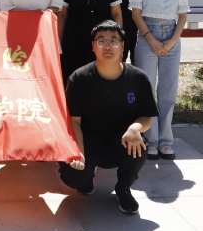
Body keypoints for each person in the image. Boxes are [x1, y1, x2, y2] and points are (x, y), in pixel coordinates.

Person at [58, 20, 158, 215]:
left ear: (122, 46)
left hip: (121, 141)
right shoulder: (79, 78)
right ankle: (86, 181)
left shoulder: (138, 78)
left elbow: (147, 116)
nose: (108, 46)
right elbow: (74, 121)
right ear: (93, 46)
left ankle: (123, 187)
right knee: (74, 177)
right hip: (88, 141)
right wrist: (79, 152)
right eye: (101, 40)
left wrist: (135, 128)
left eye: (114, 40)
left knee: (139, 145)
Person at [130, 0, 189, 161]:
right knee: (148, 91)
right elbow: (136, 14)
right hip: (148, 34)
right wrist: (152, 40)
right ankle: (151, 140)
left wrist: (171, 41)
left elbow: (182, 16)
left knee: (168, 92)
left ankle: (166, 141)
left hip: (172, 35)